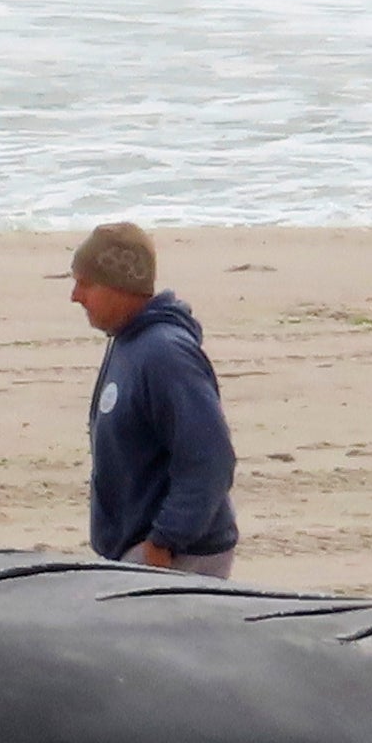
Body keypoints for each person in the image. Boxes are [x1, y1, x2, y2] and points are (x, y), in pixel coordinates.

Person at [68, 221, 239, 576]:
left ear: (121, 286)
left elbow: (210, 456)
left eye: (86, 284)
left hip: (179, 555)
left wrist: (165, 541)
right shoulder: (127, 341)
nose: (75, 296)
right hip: (138, 549)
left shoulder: (165, 355)